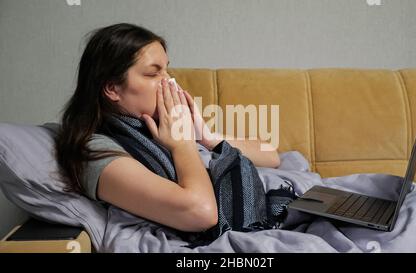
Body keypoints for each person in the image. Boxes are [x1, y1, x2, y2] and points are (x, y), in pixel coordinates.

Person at [55, 23, 281, 234]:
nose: (170, 83)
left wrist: (207, 137)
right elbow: (201, 212)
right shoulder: (96, 151)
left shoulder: (161, 127)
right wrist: (183, 144)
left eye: (167, 71)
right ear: (112, 88)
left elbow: (271, 155)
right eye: (153, 74)